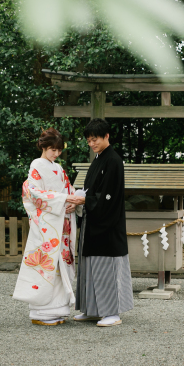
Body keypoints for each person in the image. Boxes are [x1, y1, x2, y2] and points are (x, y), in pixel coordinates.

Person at [13, 128, 86, 326]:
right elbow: (33, 193)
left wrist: (72, 203)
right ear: (43, 147)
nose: (55, 153)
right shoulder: (36, 165)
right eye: (52, 149)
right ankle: (42, 313)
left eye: (59, 150)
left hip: (60, 221)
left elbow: (68, 189)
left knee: (61, 264)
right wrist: (63, 199)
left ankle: (59, 310)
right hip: (47, 222)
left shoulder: (58, 168)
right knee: (48, 265)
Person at [74, 118, 133, 327]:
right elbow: (90, 191)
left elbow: (107, 196)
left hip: (108, 224)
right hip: (93, 222)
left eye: (95, 139)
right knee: (90, 268)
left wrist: (84, 200)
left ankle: (111, 312)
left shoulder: (114, 160)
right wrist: (81, 199)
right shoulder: (98, 159)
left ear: (107, 136)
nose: (91, 144)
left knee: (106, 269)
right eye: (89, 141)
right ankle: (92, 309)